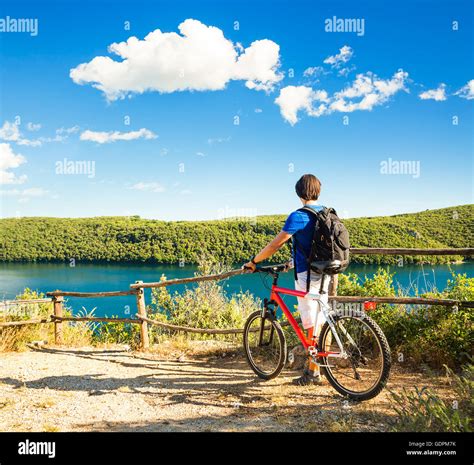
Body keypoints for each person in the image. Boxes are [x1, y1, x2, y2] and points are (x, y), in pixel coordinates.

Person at [243, 173, 330, 386]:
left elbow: (275, 245)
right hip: (325, 271)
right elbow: (312, 244)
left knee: (311, 322)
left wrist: (254, 261)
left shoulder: (299, 216)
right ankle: (315, 368)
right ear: (318, 191)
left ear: (299, 192)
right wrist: (291, 262)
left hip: (307, 275)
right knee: (319, 320)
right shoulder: (326, 213)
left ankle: (313, 373)